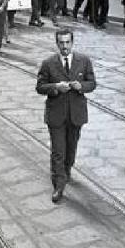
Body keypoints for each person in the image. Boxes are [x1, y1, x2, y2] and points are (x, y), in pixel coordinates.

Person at [35, 29, 96, 203]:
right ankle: (58, 185)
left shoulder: (83, 61)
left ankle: (67, 170)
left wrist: (81, 86)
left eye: (67, 42)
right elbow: (39, 87)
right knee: (58, 151)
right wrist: (55, 87)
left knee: (71, 149)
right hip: (56, 114)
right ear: (57, 44)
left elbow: (92, 83)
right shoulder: (48, 63)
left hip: (76, 114)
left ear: (72, 42)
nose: (64, 46)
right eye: (61, 43)